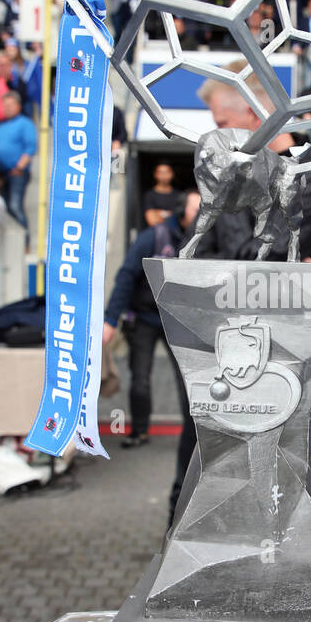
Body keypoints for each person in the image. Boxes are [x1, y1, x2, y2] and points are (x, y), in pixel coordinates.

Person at [102, 192, 201, 450]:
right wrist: (110, 319)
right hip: (145, 317)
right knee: (141, 378)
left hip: (178, 319)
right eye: (196, 208)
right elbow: (126, 276)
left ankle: (195, 433)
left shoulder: (202, 238)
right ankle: (139, 431)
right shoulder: (152, 237)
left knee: (188, 379)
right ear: (181, 211)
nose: (202, 212)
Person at [0, 92, 36, 237]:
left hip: (17, 173)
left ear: (18, 106)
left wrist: (19, 167)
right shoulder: (1, 126)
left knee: (15, 206)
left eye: (10, 105)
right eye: (5, 106)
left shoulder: (25, 123)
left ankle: (25, 241)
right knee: (5, 209)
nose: (7, 108)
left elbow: (30, 147)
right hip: (1, 173)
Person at [143, 160, 182, 226]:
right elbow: (152, 221)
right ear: (155, 175)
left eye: (166, 172)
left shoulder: (179, 195)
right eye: (160, 172)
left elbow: (182, 220)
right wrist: (170, 214)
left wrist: (159, 213)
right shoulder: (150, 195)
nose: (164, 175)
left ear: (172, 174)